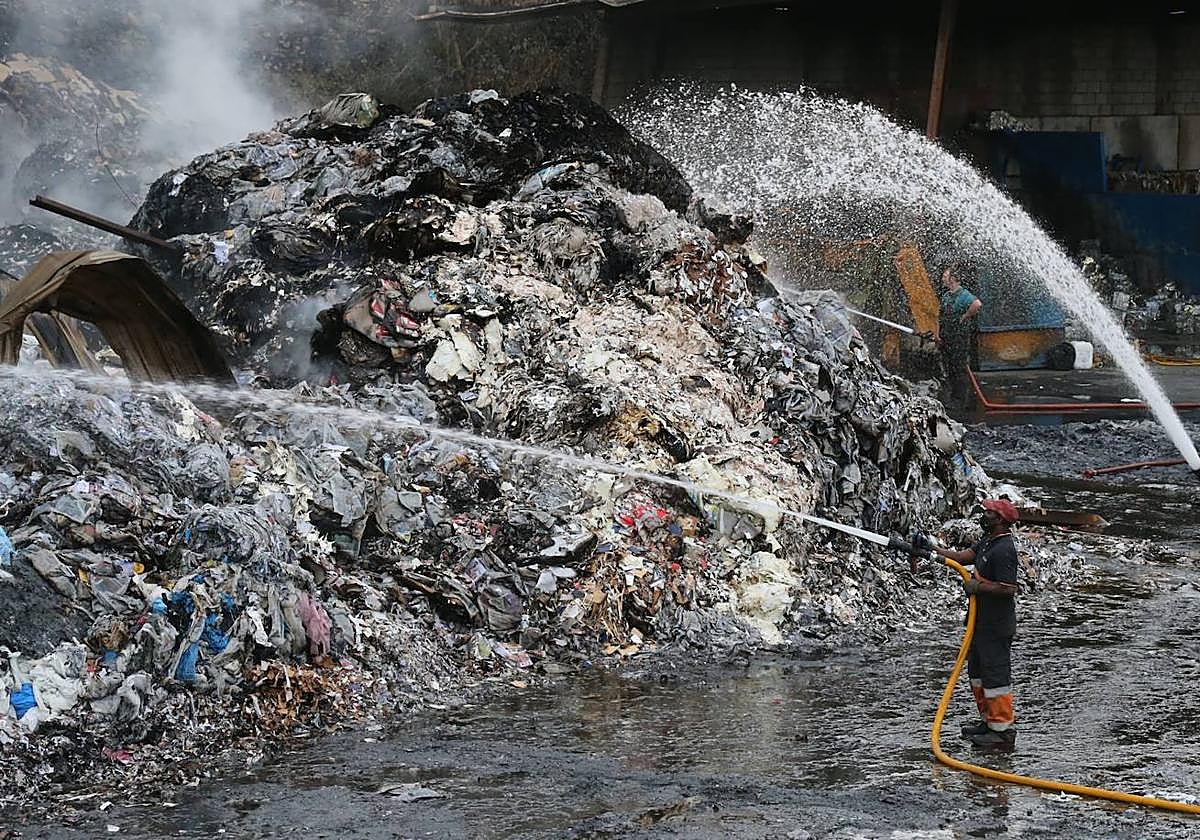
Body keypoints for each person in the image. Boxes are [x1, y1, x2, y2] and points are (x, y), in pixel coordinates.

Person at [927, 498, 1020, 748]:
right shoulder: (988, 542)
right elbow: (961, 557)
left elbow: (1009, 588)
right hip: (978, 623)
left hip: (996, 626)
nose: (984, 515)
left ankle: (1002, 733)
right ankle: (988, 722)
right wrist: (931, 551)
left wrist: (978, 586)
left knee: (995, 677)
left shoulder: (1005, 550)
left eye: (989, 513)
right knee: (977, 674)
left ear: (1000, 520)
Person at [937, 266, 982, 407]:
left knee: (958, 367)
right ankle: (953, 397)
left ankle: (959, 399)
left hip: (959, 337)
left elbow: (977, 304)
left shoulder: (963, 295)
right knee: (950, 367)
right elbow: (942, 316)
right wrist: (939, 335)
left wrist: (965, 316)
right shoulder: (946, 295)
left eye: (945, 276)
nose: (942, 279)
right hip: (947, 336)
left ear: (953, 279)